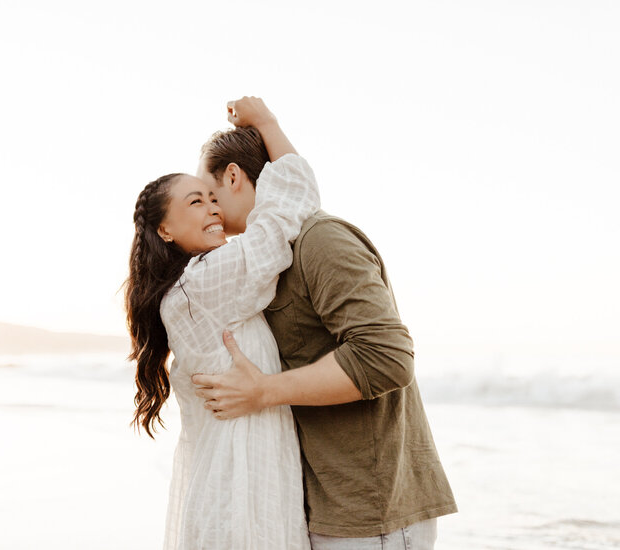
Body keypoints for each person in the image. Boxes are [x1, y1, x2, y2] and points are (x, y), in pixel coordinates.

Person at [192, 118, 458, 549]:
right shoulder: (265, 260)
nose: (208, 209)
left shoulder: (321, 240)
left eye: (210, 193)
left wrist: (263, 391)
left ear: (234, 176)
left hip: (374, 514)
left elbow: (386, 356)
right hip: (326, 507)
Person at [125, 97, 320, 550]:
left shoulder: (191, 288)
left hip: (235, 489)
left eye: (214, 198)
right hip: (241, 498)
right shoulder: (205, 283)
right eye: (196, 201)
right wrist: (267, 122)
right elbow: (292, 202)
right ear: (165, 231)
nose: (213, 209)